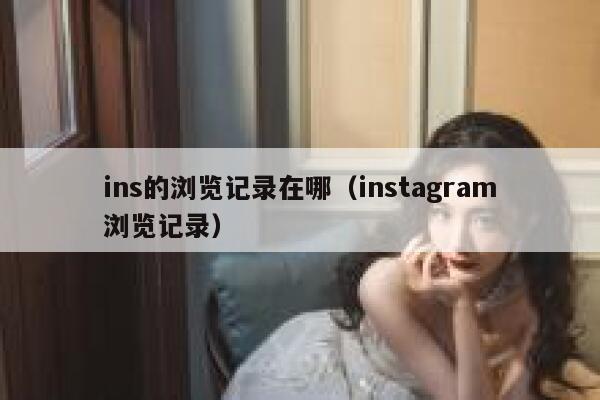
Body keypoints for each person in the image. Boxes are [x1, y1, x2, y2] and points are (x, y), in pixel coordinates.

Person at [222, 112, 582, 400]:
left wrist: (467, 309)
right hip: (339, 382)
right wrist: (461, 306)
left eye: (484, 219)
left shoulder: (526, 286)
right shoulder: (384, 285)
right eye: (442, 213)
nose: (458, 241)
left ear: (528, 219)